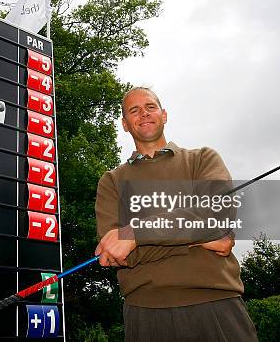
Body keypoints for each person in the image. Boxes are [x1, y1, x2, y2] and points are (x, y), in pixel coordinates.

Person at [94, 87, 258, 341]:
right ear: (125, 124)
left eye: (150, 107)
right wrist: (199, 238)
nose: (144, 114)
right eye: (134, 110)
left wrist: (135, 234)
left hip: (216, 303)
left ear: (164, 115)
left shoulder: (202, 158)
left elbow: (217, 217)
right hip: (144, 314)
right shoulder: (112, 181)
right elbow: (115, 253)